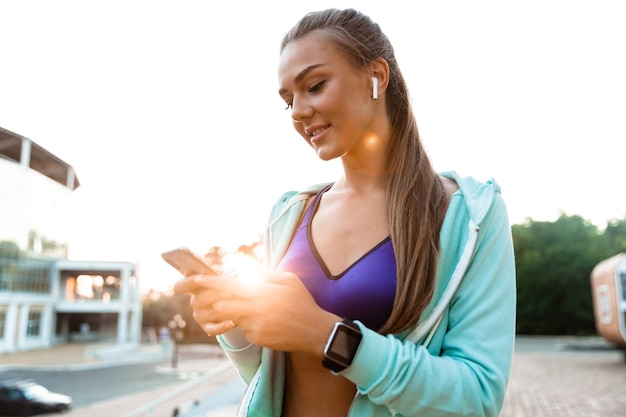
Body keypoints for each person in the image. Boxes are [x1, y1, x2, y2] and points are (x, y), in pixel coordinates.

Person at [174, 8, 516, 417]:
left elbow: (477, 398)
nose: (298, 111)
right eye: (288, 102)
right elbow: (267, 378)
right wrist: (235, 324)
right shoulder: (289, 214)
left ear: (377, 76)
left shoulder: (470, 215)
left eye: (314, 86)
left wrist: (327, 336)